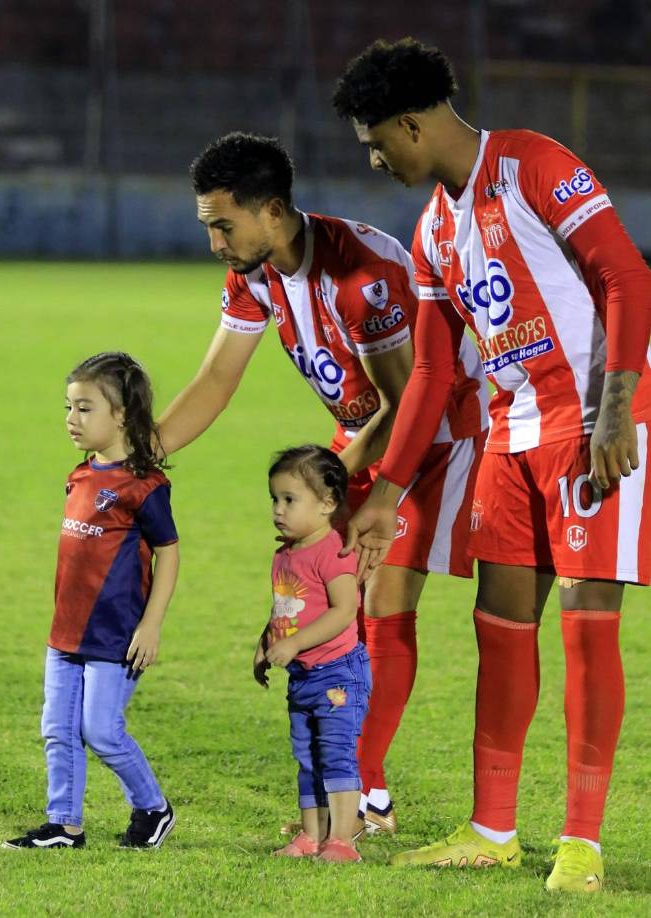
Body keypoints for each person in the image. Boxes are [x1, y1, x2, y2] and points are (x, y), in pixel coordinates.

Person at [333, 37, 651, 892]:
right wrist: (385, 494)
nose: (374, 159)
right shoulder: (435, 224)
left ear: (410, 123)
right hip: (509, 439)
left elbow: (625, 274)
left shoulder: (533, 165)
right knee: (498, 626)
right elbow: (434, 373)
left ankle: (580, 842)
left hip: (588, 425)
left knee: (588, 625)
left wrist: (616, 409)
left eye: (375, 142)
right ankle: (492, 828)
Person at [158, 131, 488, 835]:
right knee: (331, 608)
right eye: (208, 225)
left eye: (223, 224)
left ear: (270, 211)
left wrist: (339, 483)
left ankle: (365, 800)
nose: (214, 241)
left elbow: (406, 401)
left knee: (380, 601)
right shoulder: (254, 273)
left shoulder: (359, 274)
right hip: (361, 436)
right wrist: (143, 454)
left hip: (435, 433)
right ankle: (352, 791)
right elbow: (216, 380)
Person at [3, 352, 179, 851]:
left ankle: (153, 807)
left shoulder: (145, 486)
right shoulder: (79, 475)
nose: (71, 420)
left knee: (101, 731)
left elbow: (168, 552)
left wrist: (152, 625)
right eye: (68, 407)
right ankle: (64, 825)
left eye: (84, 408)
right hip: (66, 631)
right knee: (58, 729)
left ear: (121, 414)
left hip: (116, 636)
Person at [256, 445, 369, 862]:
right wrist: (265, 644)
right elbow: (284, 608)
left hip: (338, 674)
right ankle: (310, 835)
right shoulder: (285, 554)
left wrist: (294, 643)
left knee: (335, 751)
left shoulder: (333, 552)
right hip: (302, 678)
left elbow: (344, 612)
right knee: (307, 757)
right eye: (275, 499)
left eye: (290, 500)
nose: (278, 510)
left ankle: (341, 839)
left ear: (327, 504)